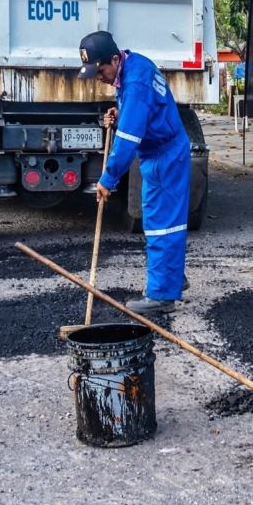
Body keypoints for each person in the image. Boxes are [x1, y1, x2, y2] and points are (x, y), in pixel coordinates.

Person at [78, 30, 191, 314]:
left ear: (115, 59)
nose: (98, 77)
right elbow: (141, 109)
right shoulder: (134, 65)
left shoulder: (136, 81)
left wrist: (107, 179)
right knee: (160, 220)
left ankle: (161, 296)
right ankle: (172, 277)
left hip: (165, 156)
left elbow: (128, 140)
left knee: (161, 224)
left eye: (100, 70)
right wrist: (121, 112)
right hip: (159, 153)